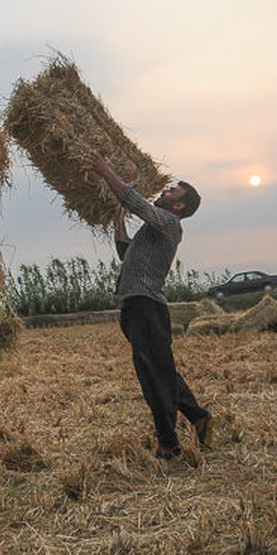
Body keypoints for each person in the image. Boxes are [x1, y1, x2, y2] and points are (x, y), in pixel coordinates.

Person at [83, 151, 214, 461]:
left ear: (178, 205)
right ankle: (197, 417)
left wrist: (106, 172)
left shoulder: (169, 223)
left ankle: (169, 443)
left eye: (171, 191)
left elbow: (136, 202)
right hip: (135, 307)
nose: (164, 191)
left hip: (147, 308)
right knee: (160, 370)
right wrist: (115, 218)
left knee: (153, 375)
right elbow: (127, 254)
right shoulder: (154, 230)